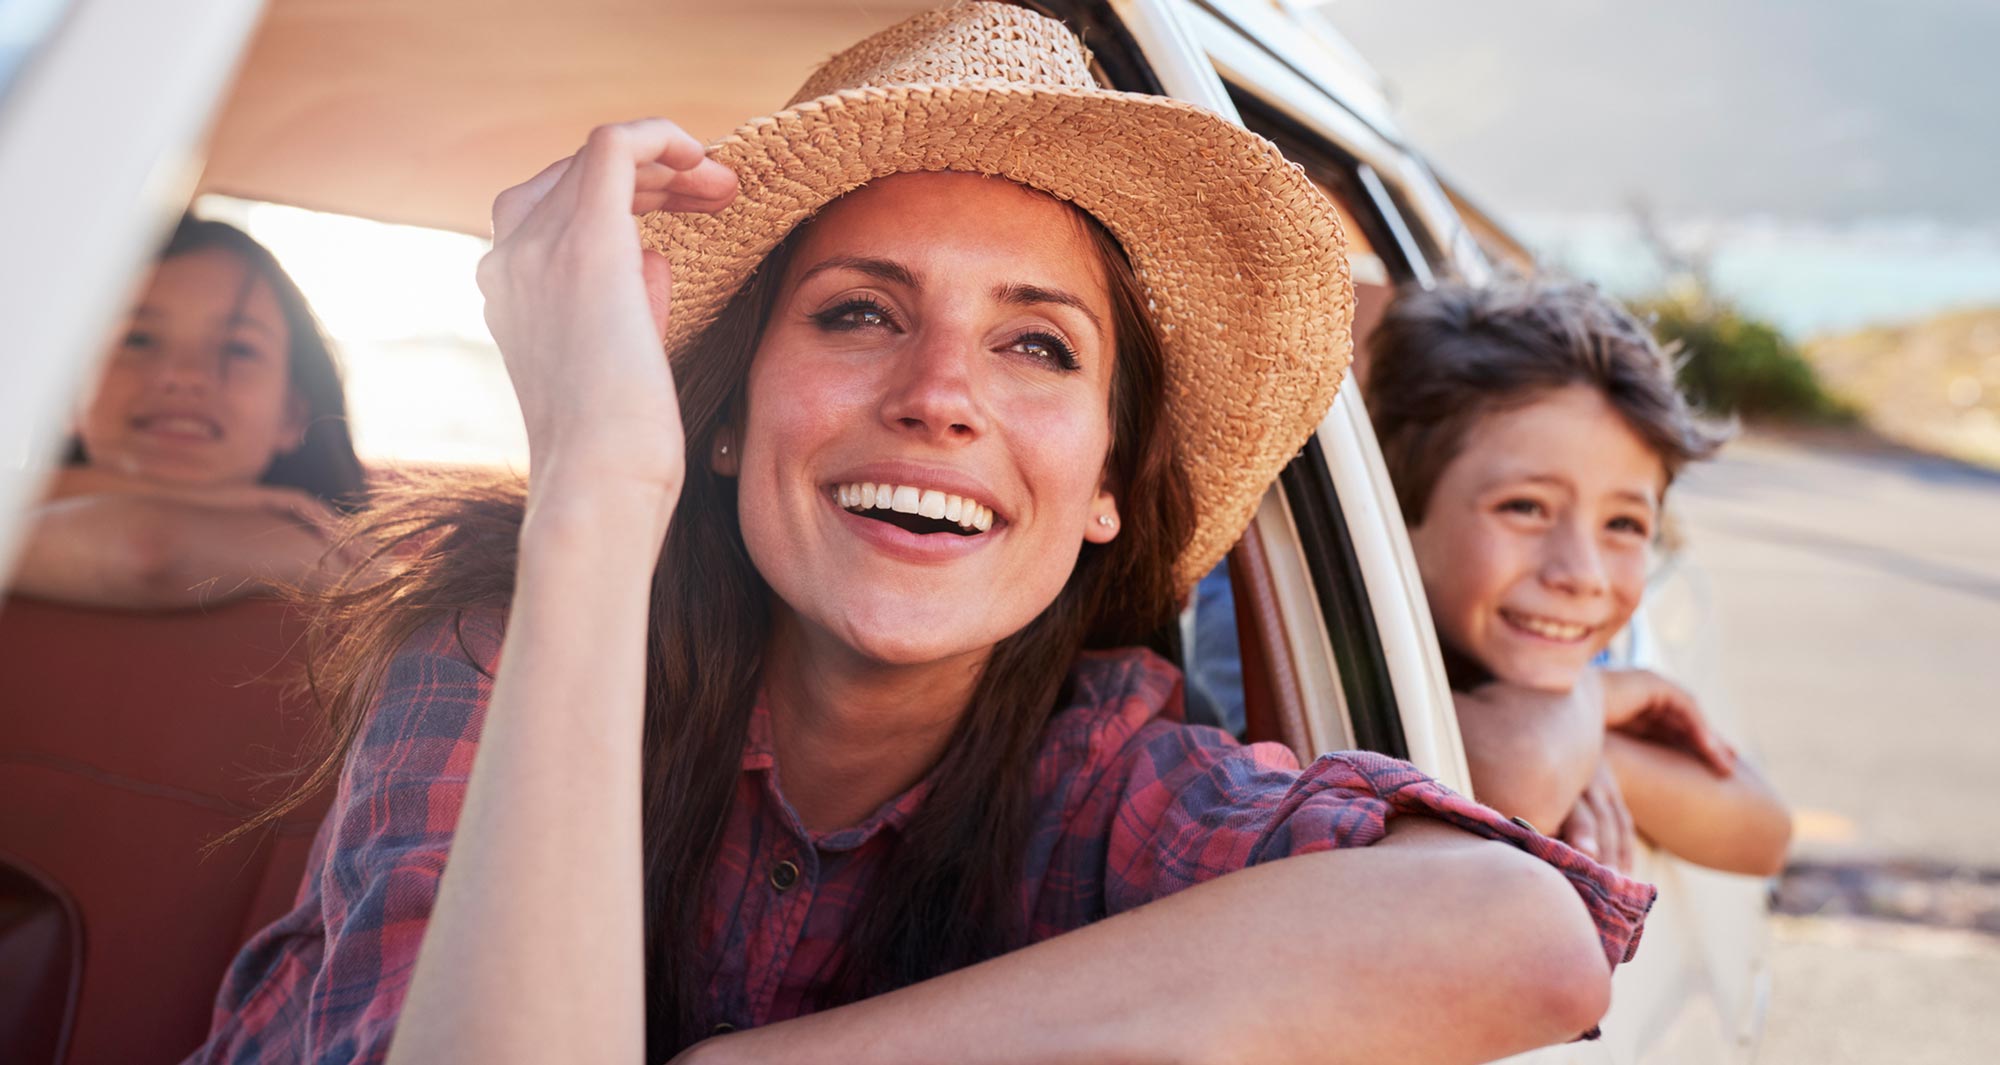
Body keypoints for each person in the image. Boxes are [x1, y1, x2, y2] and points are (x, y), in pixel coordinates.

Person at [188, 7, 1654, 1064]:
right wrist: (592, 485)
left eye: (1037, 348)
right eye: (859, 314)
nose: (941, 396)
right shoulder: (501, 654)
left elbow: (1521, 933)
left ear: (1104, 489)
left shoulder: (1100, 774)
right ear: (717, 413)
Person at [1366, 277, 1793, 877]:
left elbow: (1764, 832)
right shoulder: (1324, 636)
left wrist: (1592, 748)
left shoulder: (1556, 638)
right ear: (1395, 509)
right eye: (1525, 507)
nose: (1582, 575)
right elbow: (1522, 784)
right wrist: (1593, 701)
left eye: (1622, 523)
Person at [10, 215, 367, 609]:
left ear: (292, 415)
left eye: (237, 348)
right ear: (67, 395)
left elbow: (149, 551)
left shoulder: (317, 541)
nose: (183, 375)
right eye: (138, 339)